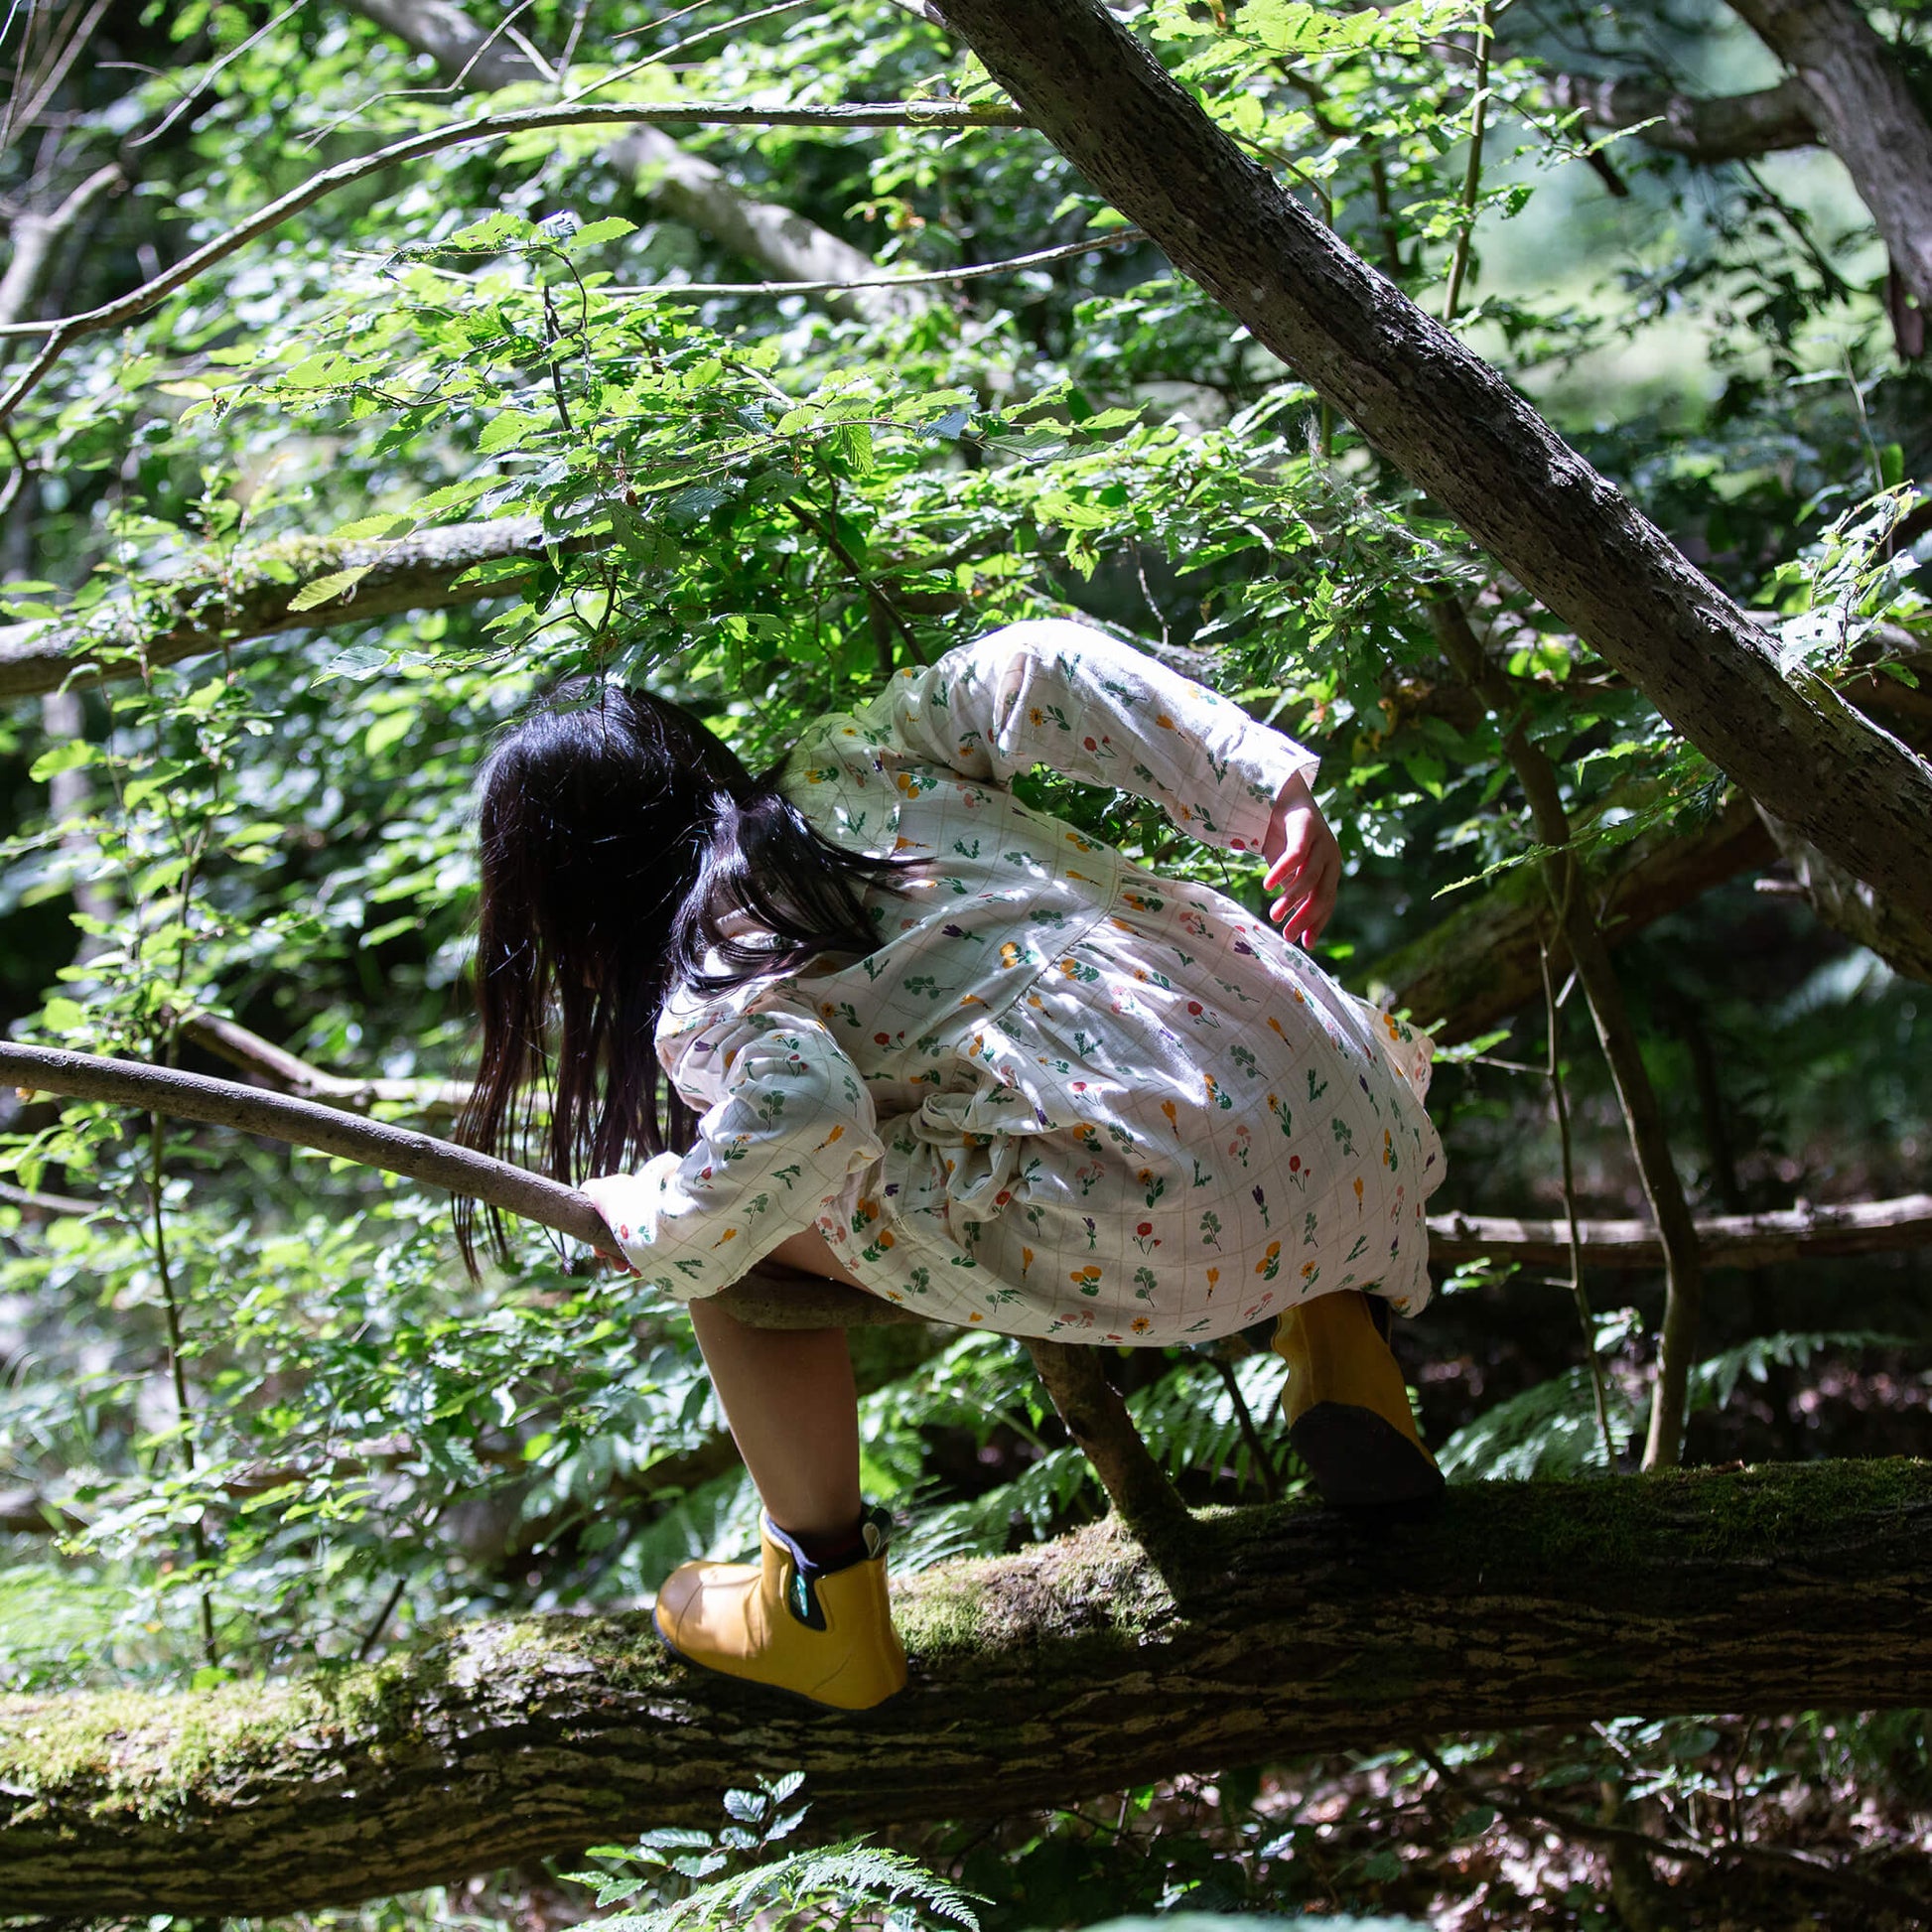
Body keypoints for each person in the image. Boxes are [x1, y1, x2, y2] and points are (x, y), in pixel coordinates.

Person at [458, 620, 1446, 1712]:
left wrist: (646, 1219)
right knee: (1234, 1101)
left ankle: (820, 1606)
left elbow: (803, 1108)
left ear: (571, 905)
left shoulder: (718, 971)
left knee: (722, 1233)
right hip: (1343, 1102)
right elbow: (1036, 658)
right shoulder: (860, 761)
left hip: (1159, 1203)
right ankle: (1349, 1349)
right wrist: (1263, 788)